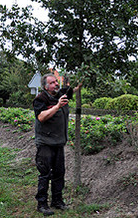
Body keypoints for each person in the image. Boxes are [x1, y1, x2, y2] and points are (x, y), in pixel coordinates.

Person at [33, 73, 82, 216]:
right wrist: (57, 106)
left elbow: (72, 90)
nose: (56, 84)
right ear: (46, 87)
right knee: (45, 174)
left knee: (59, 174)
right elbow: (41, 117)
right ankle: (42, 204)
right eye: (53, 82)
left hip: (59, 142)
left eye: (56, 81)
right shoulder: (40, 99)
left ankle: (57, 201)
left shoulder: (61, 94)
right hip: (45, 143)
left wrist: (81, 80)